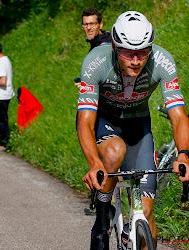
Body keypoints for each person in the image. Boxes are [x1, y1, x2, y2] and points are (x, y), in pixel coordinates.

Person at [77, 11, 189, 249]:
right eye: (128, 52)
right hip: (105, 122)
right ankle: (101, 222)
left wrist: (184, 154)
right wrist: (94, 162)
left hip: (139, 129)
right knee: (114, 151)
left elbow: (178, 115)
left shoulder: (162, 61)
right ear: (115, 47)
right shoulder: (96, 62)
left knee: (146, 213)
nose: (136, 60)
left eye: (143, 52)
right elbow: (85, 120)